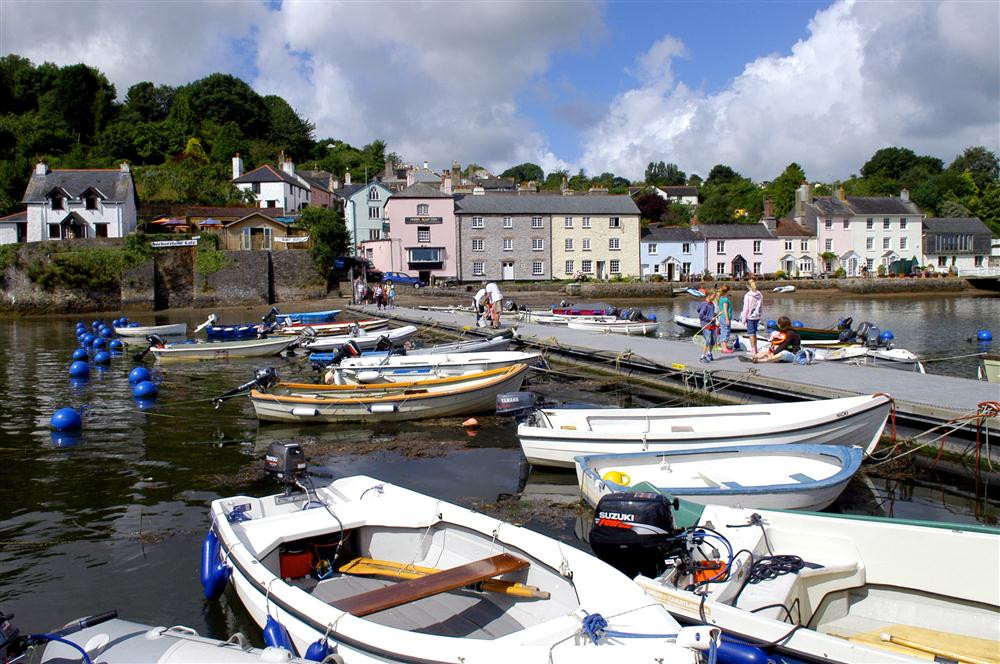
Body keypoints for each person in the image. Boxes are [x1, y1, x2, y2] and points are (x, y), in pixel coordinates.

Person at [739, 279, 763, 355]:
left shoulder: (748, 295)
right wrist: (760, 315)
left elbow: (745, 308)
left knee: (751, 334)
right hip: (757, 316)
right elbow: (761, 306)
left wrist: (743, 319)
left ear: (748, 286)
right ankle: (755, 348)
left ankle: (753, 350)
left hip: (750, 317)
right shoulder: (760, 294)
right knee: (754, 333)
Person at [696, 291, 718, 363]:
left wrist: (714, 316)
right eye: (713, 296)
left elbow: (699, 309)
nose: (715, 297)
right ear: (709, 295)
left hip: (712, 324)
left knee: (713, 340)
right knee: (707, 340)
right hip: (706, 325)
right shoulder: (705, 304)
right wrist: (709, 318)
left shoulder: (712, 304)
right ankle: (702, 356)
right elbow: (701, 315)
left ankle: (709, 353)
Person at [717, 285, 733, 352]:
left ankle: (723, 346)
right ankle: (724, 348)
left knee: (724, 331)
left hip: (722, 317)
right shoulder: (725, 299)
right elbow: (725, 310)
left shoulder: (720, 298)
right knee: (725, 331)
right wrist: (727, 319)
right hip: (725, 317)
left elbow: (721, 310)